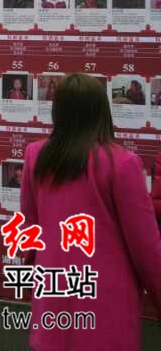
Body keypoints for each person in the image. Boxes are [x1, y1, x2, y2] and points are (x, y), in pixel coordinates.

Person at [20, 73, 161, 350]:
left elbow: (29, 233)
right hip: (107, 308)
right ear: (101, 111)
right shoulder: (122, 163)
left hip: (52, 298)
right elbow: (146, 247)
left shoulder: (36, 155)